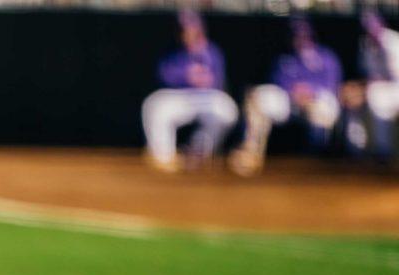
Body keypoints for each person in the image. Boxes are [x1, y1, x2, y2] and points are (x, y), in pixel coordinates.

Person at [230, 17, 343, 176]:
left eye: (304, 35)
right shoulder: (285, 59)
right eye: (296, 35)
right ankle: (251, 151)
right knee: (257, 96)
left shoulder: (326, 57)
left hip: (316, 102)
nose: (300, 39)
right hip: (291, 102)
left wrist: (312, 91)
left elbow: (333, 85)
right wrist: (293, 92)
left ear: (312, 36)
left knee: (326, 110)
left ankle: (323, 161)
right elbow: (278, 82)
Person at [141, 11, 239, 173]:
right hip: (181, 97)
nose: (188, 33)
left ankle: (198, 152)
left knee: (227, 110)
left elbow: (218, 81)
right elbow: (164, 76)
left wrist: (205, 79)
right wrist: (187, 76)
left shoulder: (212, 51)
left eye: (192, 29)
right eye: (184, 30)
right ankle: (163, 156)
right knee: (153, 104)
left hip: (207, 97)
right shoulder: (173, 51)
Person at [343, 9, 399, 162]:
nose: (371, 31)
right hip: (379, 88)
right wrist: (357, 88)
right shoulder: (366, 44)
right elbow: (368, 74)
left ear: (381, 24)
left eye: (373, 26)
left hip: (395, 88)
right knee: (353, 101)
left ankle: (384, 151)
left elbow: (394, 75)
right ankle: (357, 153)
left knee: (377, 97)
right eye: (367, 27)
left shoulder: (394, 42)